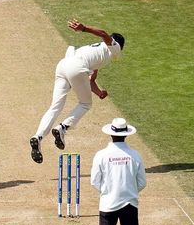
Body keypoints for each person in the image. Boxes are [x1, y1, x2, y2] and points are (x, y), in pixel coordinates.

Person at [29, 19, 124, 163]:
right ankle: (62, 127)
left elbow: (90, 80)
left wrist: (99, 93)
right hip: (77, 66)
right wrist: (84, 28)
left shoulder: (96, 53)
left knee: (55, 106)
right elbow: (104, 34)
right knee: (85, 104)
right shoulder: (114, 48)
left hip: (63, 65)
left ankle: (37, 137)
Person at [91, 118, 146, 225]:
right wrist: (128, 191)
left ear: (111, 135)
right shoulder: (135, 155)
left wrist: (108, 192)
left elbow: (94, 181)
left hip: (108, 205)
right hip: (129, 205)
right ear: (126, 135)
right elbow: (142, 182)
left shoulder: (101, 155)